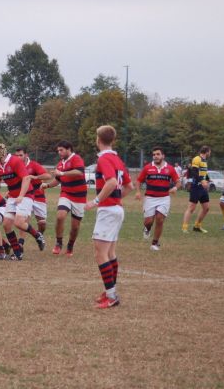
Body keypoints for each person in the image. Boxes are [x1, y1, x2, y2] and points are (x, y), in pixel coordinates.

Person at [84, 125, 133, 309]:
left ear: (98, 140)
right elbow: (129, 187)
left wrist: (95, 201)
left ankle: (111, 296)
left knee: (100, 253)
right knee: (110, 253)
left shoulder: (104, 159)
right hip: (116, 209)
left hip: (108, 211)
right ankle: (110, 289)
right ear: (112, 140)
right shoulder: (117, 159)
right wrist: (114, 199)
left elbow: (112, 182)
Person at [0, 143, 45, 260]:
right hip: (13, 196)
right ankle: (18, 254)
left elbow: (26, 178)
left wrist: (21, 196)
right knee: (7, 225)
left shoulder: (14, 161)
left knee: (18, 223)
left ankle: (37, 235)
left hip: (26, 195)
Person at [42, 140, 87, 257]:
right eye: (58, 151)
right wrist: (47, 185)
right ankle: (58, 243)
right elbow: (58, 180)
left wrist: (62, 173)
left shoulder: (76, 158)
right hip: (66, 194)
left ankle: (70, 245)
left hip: (79, 197)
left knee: (75, 227)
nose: (59, 152)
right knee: (60, 216)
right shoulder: (60, 164)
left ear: (69, 149)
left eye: (61, 150)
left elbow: (79, 172)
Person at [135, 146, 180, 251]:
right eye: (154, 154)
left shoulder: (170, 168)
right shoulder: (147, 168)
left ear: (163, 156)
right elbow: (138, 181)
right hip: (150, 198)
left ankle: (155, 243)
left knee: (160, 219)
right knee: (148, 221)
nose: (155, 156)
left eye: (158, 154)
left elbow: (178, 181)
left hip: (164, 198)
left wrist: (175, 188)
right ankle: (147, 228)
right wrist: (137, 192)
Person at [13, 148, 51, 249]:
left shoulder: (33, 165)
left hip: (38, 196)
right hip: (26, 197)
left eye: (20, 155)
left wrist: (35, 177)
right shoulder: (15, 166)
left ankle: (39, 235)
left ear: (26, 155)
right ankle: (20, 243)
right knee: (23, 220)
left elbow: (48, 176)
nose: (18, 158)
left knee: (42, 223)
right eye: (16, 156)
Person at [182, 146, 211, 233]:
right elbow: (194, 172)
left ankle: (197, 226)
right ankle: (184, 227)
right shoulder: (197, 159)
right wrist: (202, 181)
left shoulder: (204, 160)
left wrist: (208, 179)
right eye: (210, 152)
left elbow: (203, 172)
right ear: (207, 152)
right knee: (191, 208)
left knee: (206, 208)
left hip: (202, 188)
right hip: (196, 187)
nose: (210, 153)